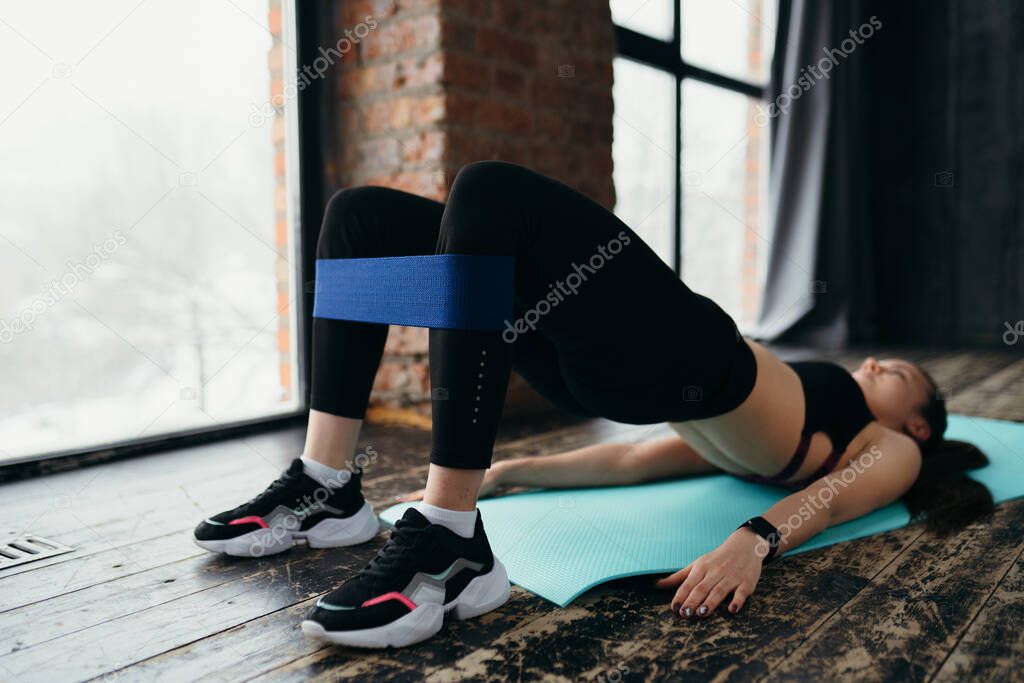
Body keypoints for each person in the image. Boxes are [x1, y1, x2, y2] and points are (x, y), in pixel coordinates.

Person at [193, 161, 992, 648]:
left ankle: (449, 540)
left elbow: (831, 497)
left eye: (901, 375)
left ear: (916, 419)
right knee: (358, 218)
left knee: (492, 189)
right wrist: (514, 469)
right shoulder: (771, 439)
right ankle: (328, 482)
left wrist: (752, 541)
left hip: (689, 352)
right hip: (614, 374)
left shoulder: (894, 447)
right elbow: (642, 457)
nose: (881, 362)